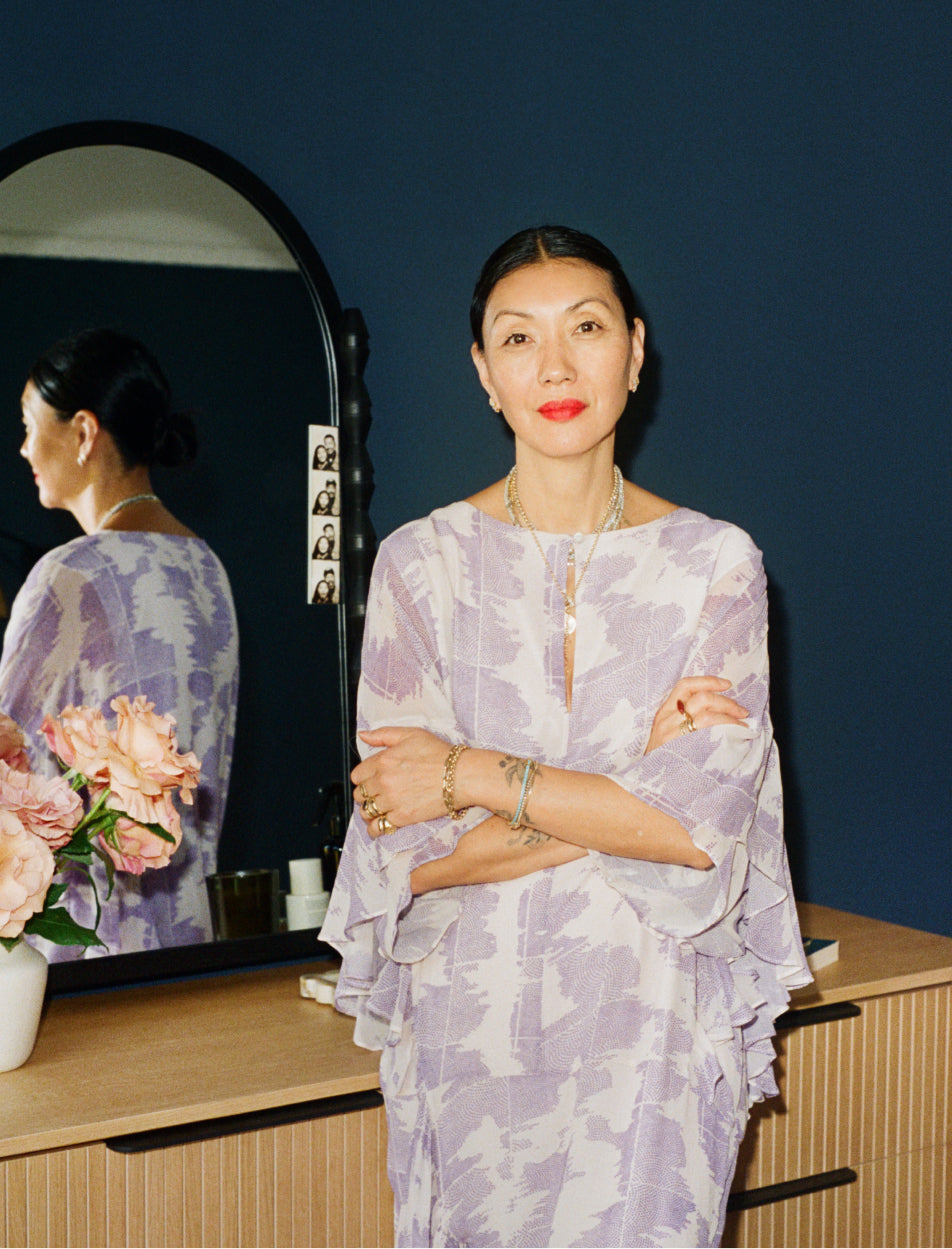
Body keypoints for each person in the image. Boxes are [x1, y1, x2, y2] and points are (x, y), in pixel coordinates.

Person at [320, 226, 810, 1247]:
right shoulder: (418, 568)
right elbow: (412, 860)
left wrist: (468, 771)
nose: (554, 366)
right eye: (518, 338)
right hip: (472, 1030)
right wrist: (633, 783)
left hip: (656, 1031)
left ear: (635, 350)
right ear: (483, 372)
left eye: (586, 328)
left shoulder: (716, 566)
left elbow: (695, 835)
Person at [0, 328, 239, 959]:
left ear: (83, 432)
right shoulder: (207, 569)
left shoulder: (69, 575)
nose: (23, 448)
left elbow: (7, 765)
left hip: (83, 959)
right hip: (188, 945)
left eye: (29, 426)